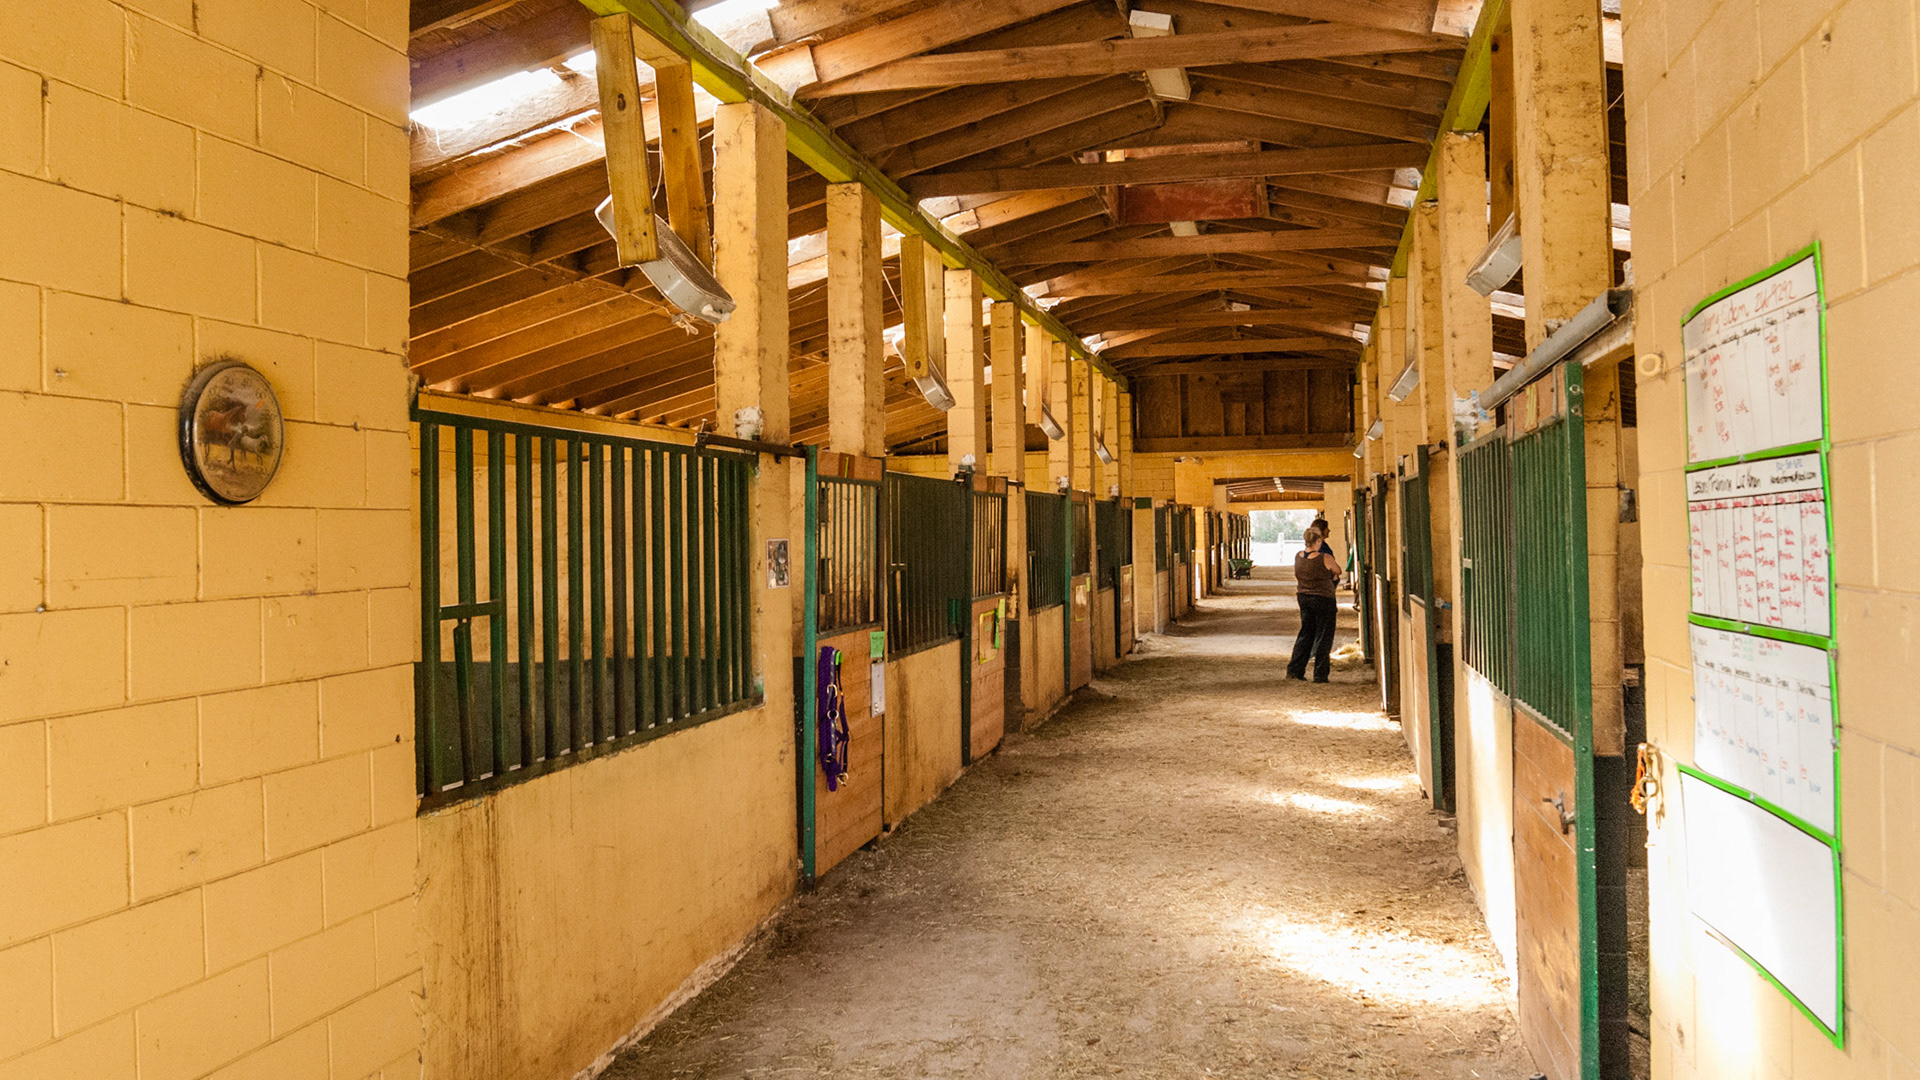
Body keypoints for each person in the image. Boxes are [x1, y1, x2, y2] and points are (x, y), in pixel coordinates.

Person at [1288, 525, 1341, 683]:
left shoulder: (1298, 556)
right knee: (1324, 636)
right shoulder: (1325, 558)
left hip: (1304, 597)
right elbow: (1338, 570)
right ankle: (1320, 674)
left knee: (1306, 633)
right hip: (1323, 599)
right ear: (1318, 541)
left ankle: (1295, 670)